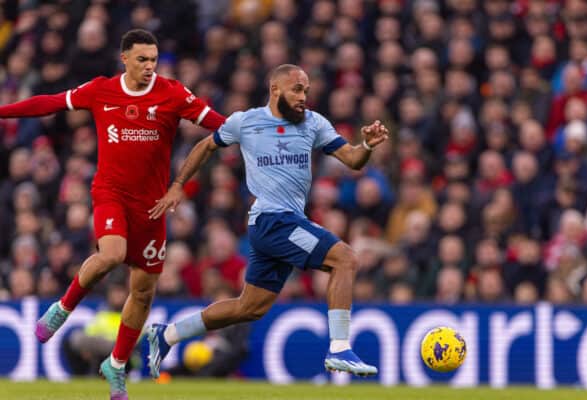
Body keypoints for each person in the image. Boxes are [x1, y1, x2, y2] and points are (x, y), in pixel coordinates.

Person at [0, 29, 225, 400]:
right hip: (111, 194)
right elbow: (50, 103)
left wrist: (259, 130)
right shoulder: (102, 90)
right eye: (142, 59)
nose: (149, 66)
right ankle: (63, 307)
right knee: (112, 254)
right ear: (124, 59)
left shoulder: (172, 93)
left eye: (153, 59)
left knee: (143, 291)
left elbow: (217, 122)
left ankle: (116, 365)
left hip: (152, 205)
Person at [147, 64, 389, 377]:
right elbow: (205, 145)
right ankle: (340, 347)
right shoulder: (245, 122)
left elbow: (353, 160)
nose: (303, 96)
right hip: (272, 221)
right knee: (345, 258)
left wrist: (367, 145)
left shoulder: (313, 123)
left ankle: (167, 335)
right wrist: (178, 184)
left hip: (281, 224)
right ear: (275, 90)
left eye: (306, 90)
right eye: (297, 89)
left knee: (249, 308)